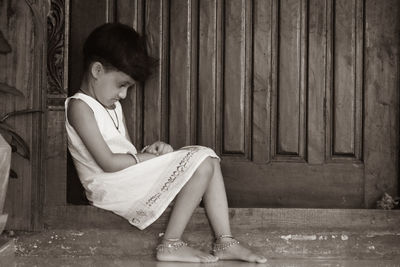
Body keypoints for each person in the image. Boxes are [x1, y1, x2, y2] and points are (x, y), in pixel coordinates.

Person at [65, 22, 267, 264]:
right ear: (97, 70)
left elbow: (124, 150)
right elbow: (107, 162)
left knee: (208, 158)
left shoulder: (113, 106)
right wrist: (149, 160)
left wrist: (148, 151)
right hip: (108, 187)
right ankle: (170, 244)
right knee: (201, 162)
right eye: (122, 85)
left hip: (125, 176)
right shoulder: (79, 106)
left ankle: (225, 241)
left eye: (128, 88)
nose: (123, 95)